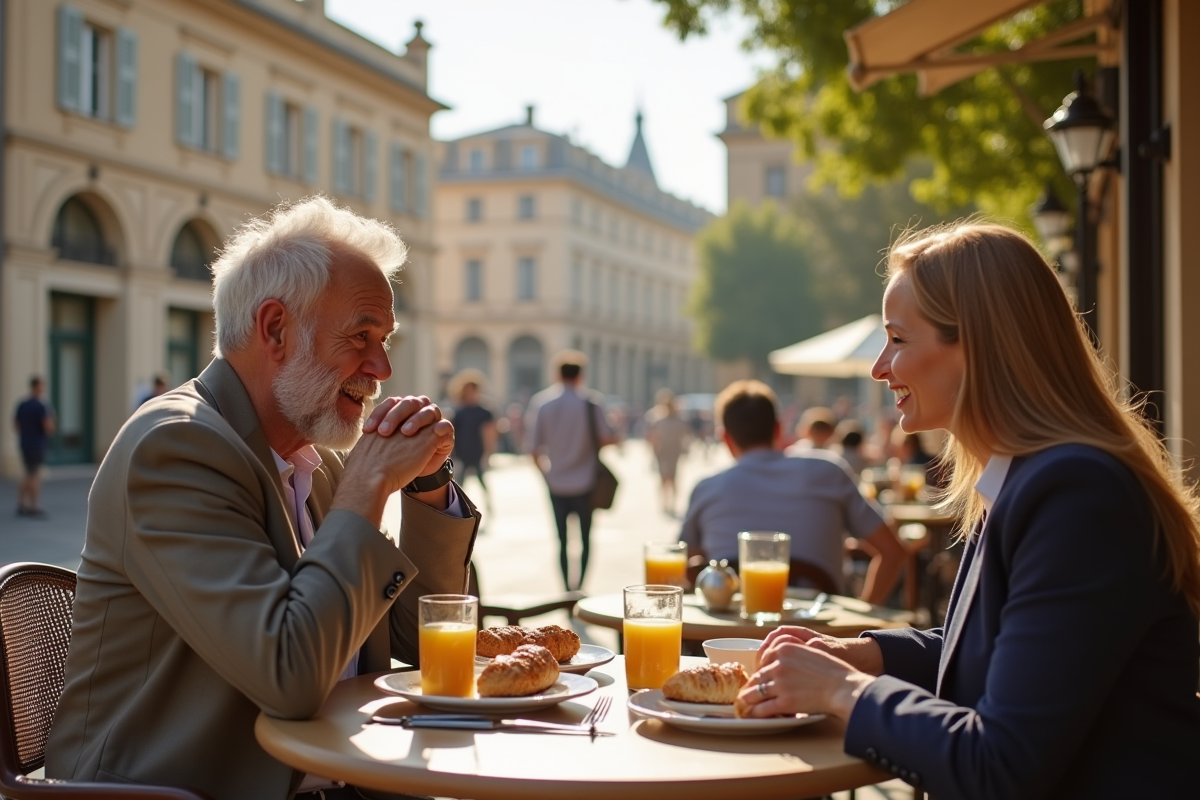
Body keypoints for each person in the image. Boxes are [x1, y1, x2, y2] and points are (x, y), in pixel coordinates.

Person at [736, 222, 1200, 798]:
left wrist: (842, 690)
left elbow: (999, 765)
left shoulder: (1076, 495)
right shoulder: (1031, 475)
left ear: (977, 346)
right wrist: (863, 652)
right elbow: (998, 656)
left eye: (899, 339)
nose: (881, 368)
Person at [46, 197, 482, 800]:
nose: (380, 367)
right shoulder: (175, 447)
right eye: (360, 337)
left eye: (385, 340)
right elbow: (289, 674)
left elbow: (419, 647)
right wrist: (366, 489)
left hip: (345, 776)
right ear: (275, 329)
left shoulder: (316, 460)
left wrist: (428, 493)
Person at [679, 380, 905, 604]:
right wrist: (860, 625)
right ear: (778, 428)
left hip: (729, 636)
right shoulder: (828, 471)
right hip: (820, 634)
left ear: (725, 438)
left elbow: (680, 563)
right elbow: (893, 552)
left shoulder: (706, 488)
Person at [525, 350, 616, 591]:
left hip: (556, 481)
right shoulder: (591, 403)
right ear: (580, 376)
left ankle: (566, 589)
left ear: (557, 375)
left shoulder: (543, 404)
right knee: (585, 538)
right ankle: (580, 587)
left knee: (562, 540)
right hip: (586, 480)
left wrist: (545, 475)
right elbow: (607, 437)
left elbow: (534, 449)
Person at [448, 369, 497, 511]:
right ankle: (458, 508)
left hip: (477, 452)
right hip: (462, 452)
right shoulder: (459, 411)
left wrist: (488, 454)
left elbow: (489, 434)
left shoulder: (483, 411)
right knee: (460, 484)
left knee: (482, 482)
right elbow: (452, 433)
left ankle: (489, 507)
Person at [12, 375, 54, 517]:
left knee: (27, 472)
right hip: (37, 444)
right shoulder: (41, 406)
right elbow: (48, 426)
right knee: (34, 474)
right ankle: (33, 505)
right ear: (38, 387)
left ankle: (21, 502)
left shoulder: (22, 404)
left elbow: (16, 425)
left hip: (25, 442)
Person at [644, 388, 689, 515]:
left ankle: (669, 502)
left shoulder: (672, 421)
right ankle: (667, 502)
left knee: (668, 478)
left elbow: (684, 437)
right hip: (666, 452)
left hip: (670, 452)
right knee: (668, 478)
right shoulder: (662, 420)